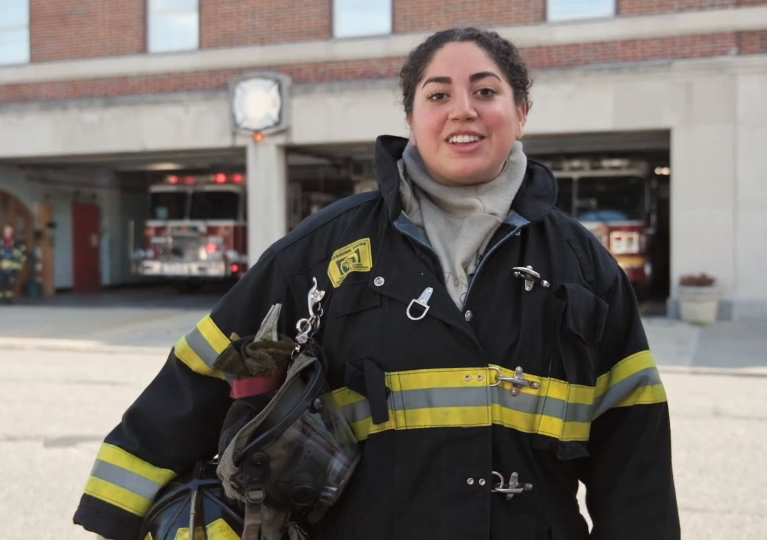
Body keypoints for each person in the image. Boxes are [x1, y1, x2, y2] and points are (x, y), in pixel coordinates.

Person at [73, 27, 680, 540]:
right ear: (412, 119)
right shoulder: (328, 247)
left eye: (485, 90)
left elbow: (635, 445)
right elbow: (202, 371)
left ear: (520, 113)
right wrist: (117, 512)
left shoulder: (584, 265)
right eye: (437, 94)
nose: (462, 109)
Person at [0, 224, 28, 305]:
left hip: (12, 268)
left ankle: (8, 300)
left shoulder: (17, 243)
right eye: (6, 231)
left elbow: (23, 254)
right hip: (0, 267)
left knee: (10, 284)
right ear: (3, 232)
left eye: (9, 231)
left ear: (12, 232)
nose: (7, 233)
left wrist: (19, 265)